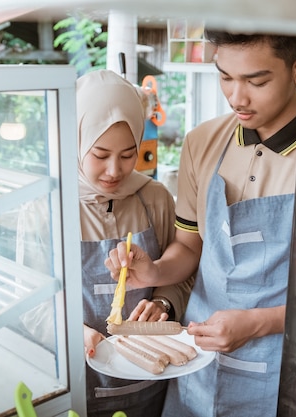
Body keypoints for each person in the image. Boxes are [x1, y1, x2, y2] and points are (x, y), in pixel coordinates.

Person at [105, 29, 296, 416]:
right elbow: (190, 246)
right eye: (224, 76)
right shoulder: (202, 142)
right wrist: (154, 270)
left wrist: (256, 324)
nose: (236, 97)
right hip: (196, 357)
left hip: (278, 366)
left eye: (256, 81)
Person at [76, 69, 193, 417]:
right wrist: (71, 333)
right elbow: (33, 304)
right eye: (100, 154)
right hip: (77, 382)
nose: (115, 170)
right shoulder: (49, 204)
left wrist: (164, 303)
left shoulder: (154, 197)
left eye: (128, 155)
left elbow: (182, 273)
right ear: (76, 139)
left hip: (150, 380)